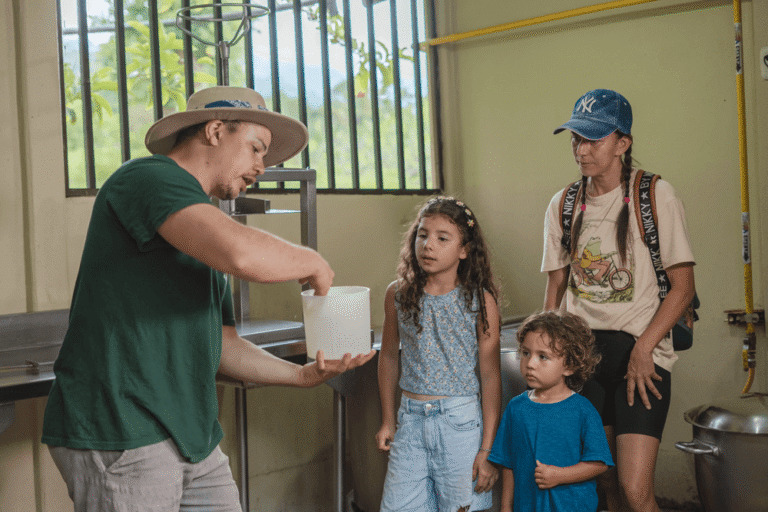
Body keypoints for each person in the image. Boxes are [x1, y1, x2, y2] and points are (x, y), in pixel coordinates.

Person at [41, 86, 375, 511]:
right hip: (124, 430)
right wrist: (310, 261)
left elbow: (223, 345)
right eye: (256, 148)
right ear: (216, 130)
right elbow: (241, 252)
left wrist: (301, 376)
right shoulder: (147, 178)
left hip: (194, 437)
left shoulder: (201, 231)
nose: (262, 166)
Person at [541, 89, 696, 512]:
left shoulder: (655, 195)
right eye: (576, 138)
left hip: (640, 358)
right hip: (583, 356)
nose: (581, 149)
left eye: (593, 139)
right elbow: (555, 290)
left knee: (634, 487)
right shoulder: (564, 204)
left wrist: (645, 348)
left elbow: (682, 288)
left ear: (622, 144)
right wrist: (547, 353)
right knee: (602, 482)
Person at [376, 196, 502, 512]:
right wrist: (389, 419)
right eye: (422, 234)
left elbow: (489, 375)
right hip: (410, 420)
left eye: (442, 238)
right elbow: (389, 355)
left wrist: (488, 448)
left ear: (464, 249)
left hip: (459, 422)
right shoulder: (398, 294)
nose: (428, 245)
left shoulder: (480, 301)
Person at [488, 311, 614, 512]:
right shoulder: (516, 408)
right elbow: (508, 462)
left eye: (543, 357)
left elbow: (599, 463)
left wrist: (560, 475)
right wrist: (505, 507)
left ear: (569, 366)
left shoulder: (583, 411)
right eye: (526, 353)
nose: (530, 364)